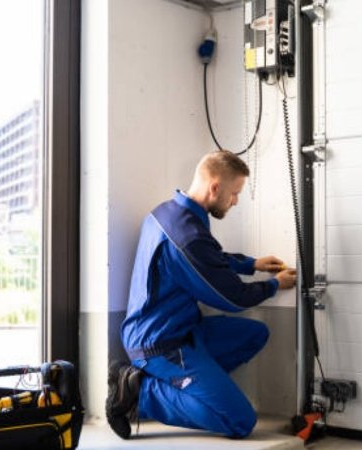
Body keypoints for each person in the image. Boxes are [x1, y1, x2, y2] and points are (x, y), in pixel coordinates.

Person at [106, 150, 297, 439]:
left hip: (183, 331)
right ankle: (139, 393)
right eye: (234, 193)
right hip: (160, 345)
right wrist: (273, 285)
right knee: (240, 421)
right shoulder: (186, 237)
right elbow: (233, 298)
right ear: (215, 187)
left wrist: (251, 264)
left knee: (255, 334)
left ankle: (190, 390)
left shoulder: (168, 213)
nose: (235, 201)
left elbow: (208, 258)